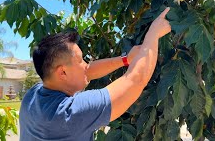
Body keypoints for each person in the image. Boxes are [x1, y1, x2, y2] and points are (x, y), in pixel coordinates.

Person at [19, 8, 172, 141]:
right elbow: (136, 80)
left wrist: (126, 60)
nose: (85, 64)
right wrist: (153, 33)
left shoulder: (33, 95)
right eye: (80, 60)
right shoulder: (70, 113)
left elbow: (87, 71)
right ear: (63, 72)